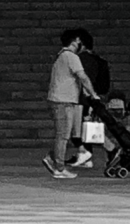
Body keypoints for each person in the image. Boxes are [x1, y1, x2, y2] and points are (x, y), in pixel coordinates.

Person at [44, 28, 98, 178]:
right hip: (64, 100)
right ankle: (59, 168)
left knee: (63, 134)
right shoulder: (71, 56)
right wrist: (93, 94)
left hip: (60, 99)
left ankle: (53, 159)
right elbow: (83, 77)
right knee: (63, 135)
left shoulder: (61, 56)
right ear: (76, 41)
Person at [66, 28, 110, 167]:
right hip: (88, 99)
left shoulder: (84, 60)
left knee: (79, 130)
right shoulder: (95, 59)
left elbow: (84, 80)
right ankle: (85, 155)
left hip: (83, 100)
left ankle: (111, 150)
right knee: (88, 130)